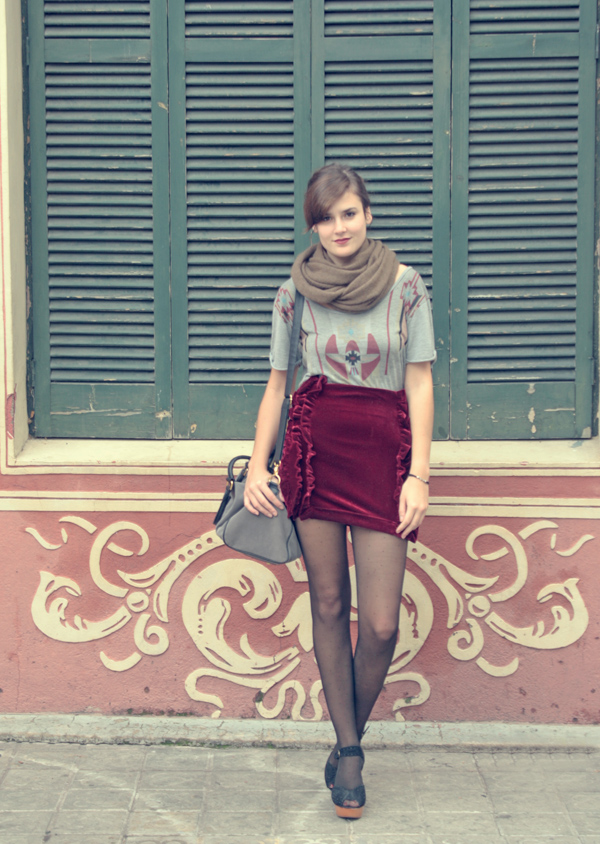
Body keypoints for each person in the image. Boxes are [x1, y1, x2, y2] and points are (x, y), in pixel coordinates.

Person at [243, 163, 435, 819]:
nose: (338, 227)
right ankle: (349, 752)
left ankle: (347, 736)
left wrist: (419, 475)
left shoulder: (407, 288)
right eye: (325, 218)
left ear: (368, 214)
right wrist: (257, 466)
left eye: (348, 213)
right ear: (314, 226)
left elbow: (420, 383)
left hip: (384, 458)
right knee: (328, 603)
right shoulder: (293, 293)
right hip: (314, 452)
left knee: (380, 622)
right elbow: (277, 386)